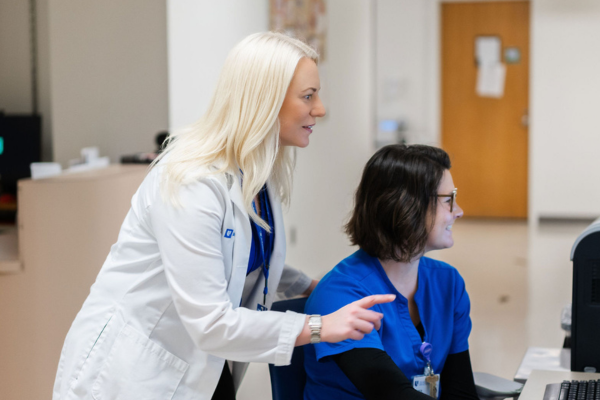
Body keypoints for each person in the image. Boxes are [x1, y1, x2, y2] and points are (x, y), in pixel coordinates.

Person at [52, 32, 395, 400]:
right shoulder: (192, 182)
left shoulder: (256, 169)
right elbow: (212, 323)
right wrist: (319, 326)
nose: (321, 109)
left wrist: (308, 286)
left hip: (203, 363)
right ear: (265, 99)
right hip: (135, 371)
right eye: (308, 96)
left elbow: (246, 253)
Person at [304, 144, 479, 400]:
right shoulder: (339, 295)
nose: (459, 211)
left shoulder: (447, 282)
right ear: (407, 205)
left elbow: (460, 389)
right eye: (448, 199)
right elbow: (391, 394)